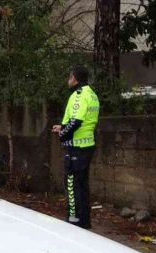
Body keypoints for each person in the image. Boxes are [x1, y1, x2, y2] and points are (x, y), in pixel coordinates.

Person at [51, 66, 100, 230]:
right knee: (82, 186)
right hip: (87, 146)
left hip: (76, 149)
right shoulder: (92, 94)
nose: (68, 80)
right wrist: (63, 127)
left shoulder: (78, 95)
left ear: (74, 78)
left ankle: (73, 223)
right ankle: (84, 223)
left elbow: (76, 121)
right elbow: (83, 121)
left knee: (72, 186)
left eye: (69, 77)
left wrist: (62, 134)